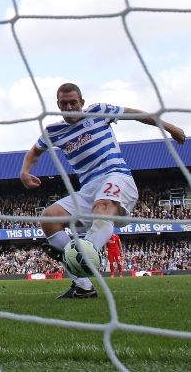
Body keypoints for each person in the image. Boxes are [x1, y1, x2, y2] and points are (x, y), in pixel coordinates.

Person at [20, 82, 185, 299]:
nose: (69, 107)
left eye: (73, 102)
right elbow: (35, 151)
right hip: (88, 187)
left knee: (101, 207)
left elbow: (135, 114)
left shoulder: (98, 111)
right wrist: (25, 171)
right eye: (64, 103)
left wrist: (169, 127)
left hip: (116, 175)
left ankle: (85, 251)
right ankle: (83, 286)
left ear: (82, 102)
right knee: (49, 218)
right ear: (57, 105)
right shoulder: (54, 131)